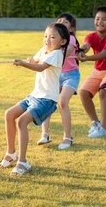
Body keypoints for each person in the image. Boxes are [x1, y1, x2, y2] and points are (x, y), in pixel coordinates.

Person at [0, 23, 70, 176]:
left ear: (62, 41)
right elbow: (36, 61)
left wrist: (23, 64)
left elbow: (41, 67)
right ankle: (11, 154)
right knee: (9, 114)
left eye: (52, 37)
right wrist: (30, 60)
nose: (47, 40)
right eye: (45, 36)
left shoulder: (57, 54)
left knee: (21, 122)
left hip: (46, 100)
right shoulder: (44, 50)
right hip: (34, 95)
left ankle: (23, 162)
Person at [76, 6, 106, 138]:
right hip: (98, 70)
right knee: (83, 92)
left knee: (103, 94)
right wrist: (80, 51)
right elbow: (86, 46)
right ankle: (96, 123)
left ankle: (104, 128)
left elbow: (104, 54)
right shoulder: (91, 36)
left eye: (104, 19)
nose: (99, 22)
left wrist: (86, 58)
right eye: (97, 19)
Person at [36, 13, 81, 150]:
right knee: (48, 101)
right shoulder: (51, 42)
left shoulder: (70, 40)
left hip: (71, 76)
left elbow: (66, 53)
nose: (61, 23)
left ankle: (68, 137)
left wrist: (52, 51)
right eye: (59, 21)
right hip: (57, 76)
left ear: (71, 29)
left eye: (65, 23)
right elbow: (42, 55)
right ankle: (45, 134)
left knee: (62, 102)